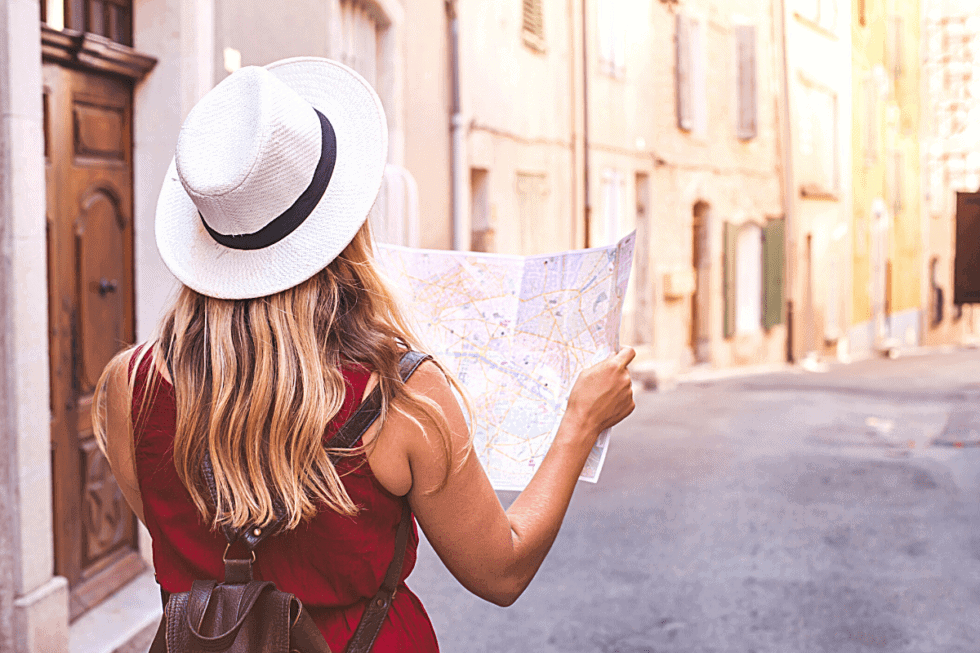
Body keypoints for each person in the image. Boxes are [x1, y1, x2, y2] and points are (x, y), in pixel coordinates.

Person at [93, 57, 635, 652]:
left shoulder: (131, 384)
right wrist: (580, 421)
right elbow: (499, 571)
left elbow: (191, 536)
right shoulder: (401, 396)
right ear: (347, 230)